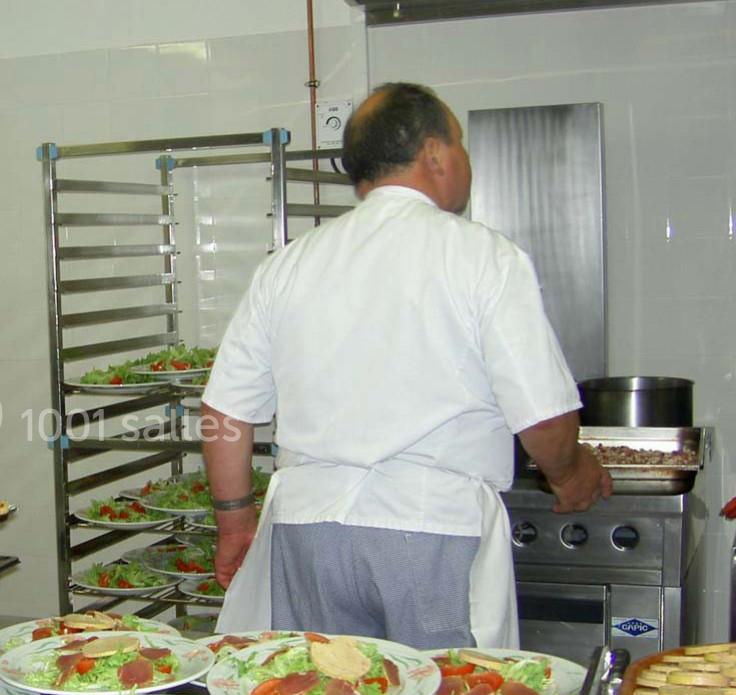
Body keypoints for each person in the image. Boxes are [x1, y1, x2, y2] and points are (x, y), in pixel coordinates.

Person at [200, 82, 611, 650]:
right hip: (431, 529)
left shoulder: (289, 264)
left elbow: (225, 411)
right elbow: (542, 419)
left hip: (306, 531)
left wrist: (234, 522)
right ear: (435, 153)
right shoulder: (484, 256)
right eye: (459, 144)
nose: (464, 160)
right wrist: (571, 475)